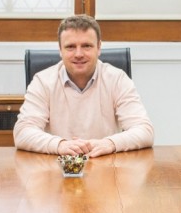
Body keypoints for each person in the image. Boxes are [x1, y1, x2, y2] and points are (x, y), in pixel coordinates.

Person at [14, 14, 154, 156]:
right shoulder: (43, 81)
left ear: (99, 47)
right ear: (60, 50)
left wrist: (110, 143)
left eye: (86, 46)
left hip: (105, 166)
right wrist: (60, 145)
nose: (79, 54)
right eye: (70, 47)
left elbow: (144, 130)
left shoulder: (117, 79)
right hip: (59, 167)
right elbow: (23, 132)